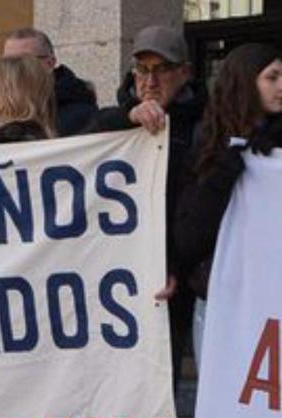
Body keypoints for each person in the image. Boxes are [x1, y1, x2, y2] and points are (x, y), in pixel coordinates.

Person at [89, 25, 207, 389]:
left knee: (160, 381)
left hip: (173, 278)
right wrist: (127, 119)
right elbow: (73, 156)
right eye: (142, 69)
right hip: (113, 275)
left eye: (162, 69)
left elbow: (198, 207)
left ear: (184, 73)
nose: (150, 80)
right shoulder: (111, 121)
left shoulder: (205, 126)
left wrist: (173, 263)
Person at [175, 43, 282, 367]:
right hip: (222, 303)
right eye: (273, 77)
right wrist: (226, 171)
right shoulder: (209, 149)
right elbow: (189, 237)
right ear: (246, 81)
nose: (281, 87)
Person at [3, 28, 97, 137]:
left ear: (50, 63)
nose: (14, 70)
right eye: (7, 63)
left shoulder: (82, 116)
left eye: (24, 61)